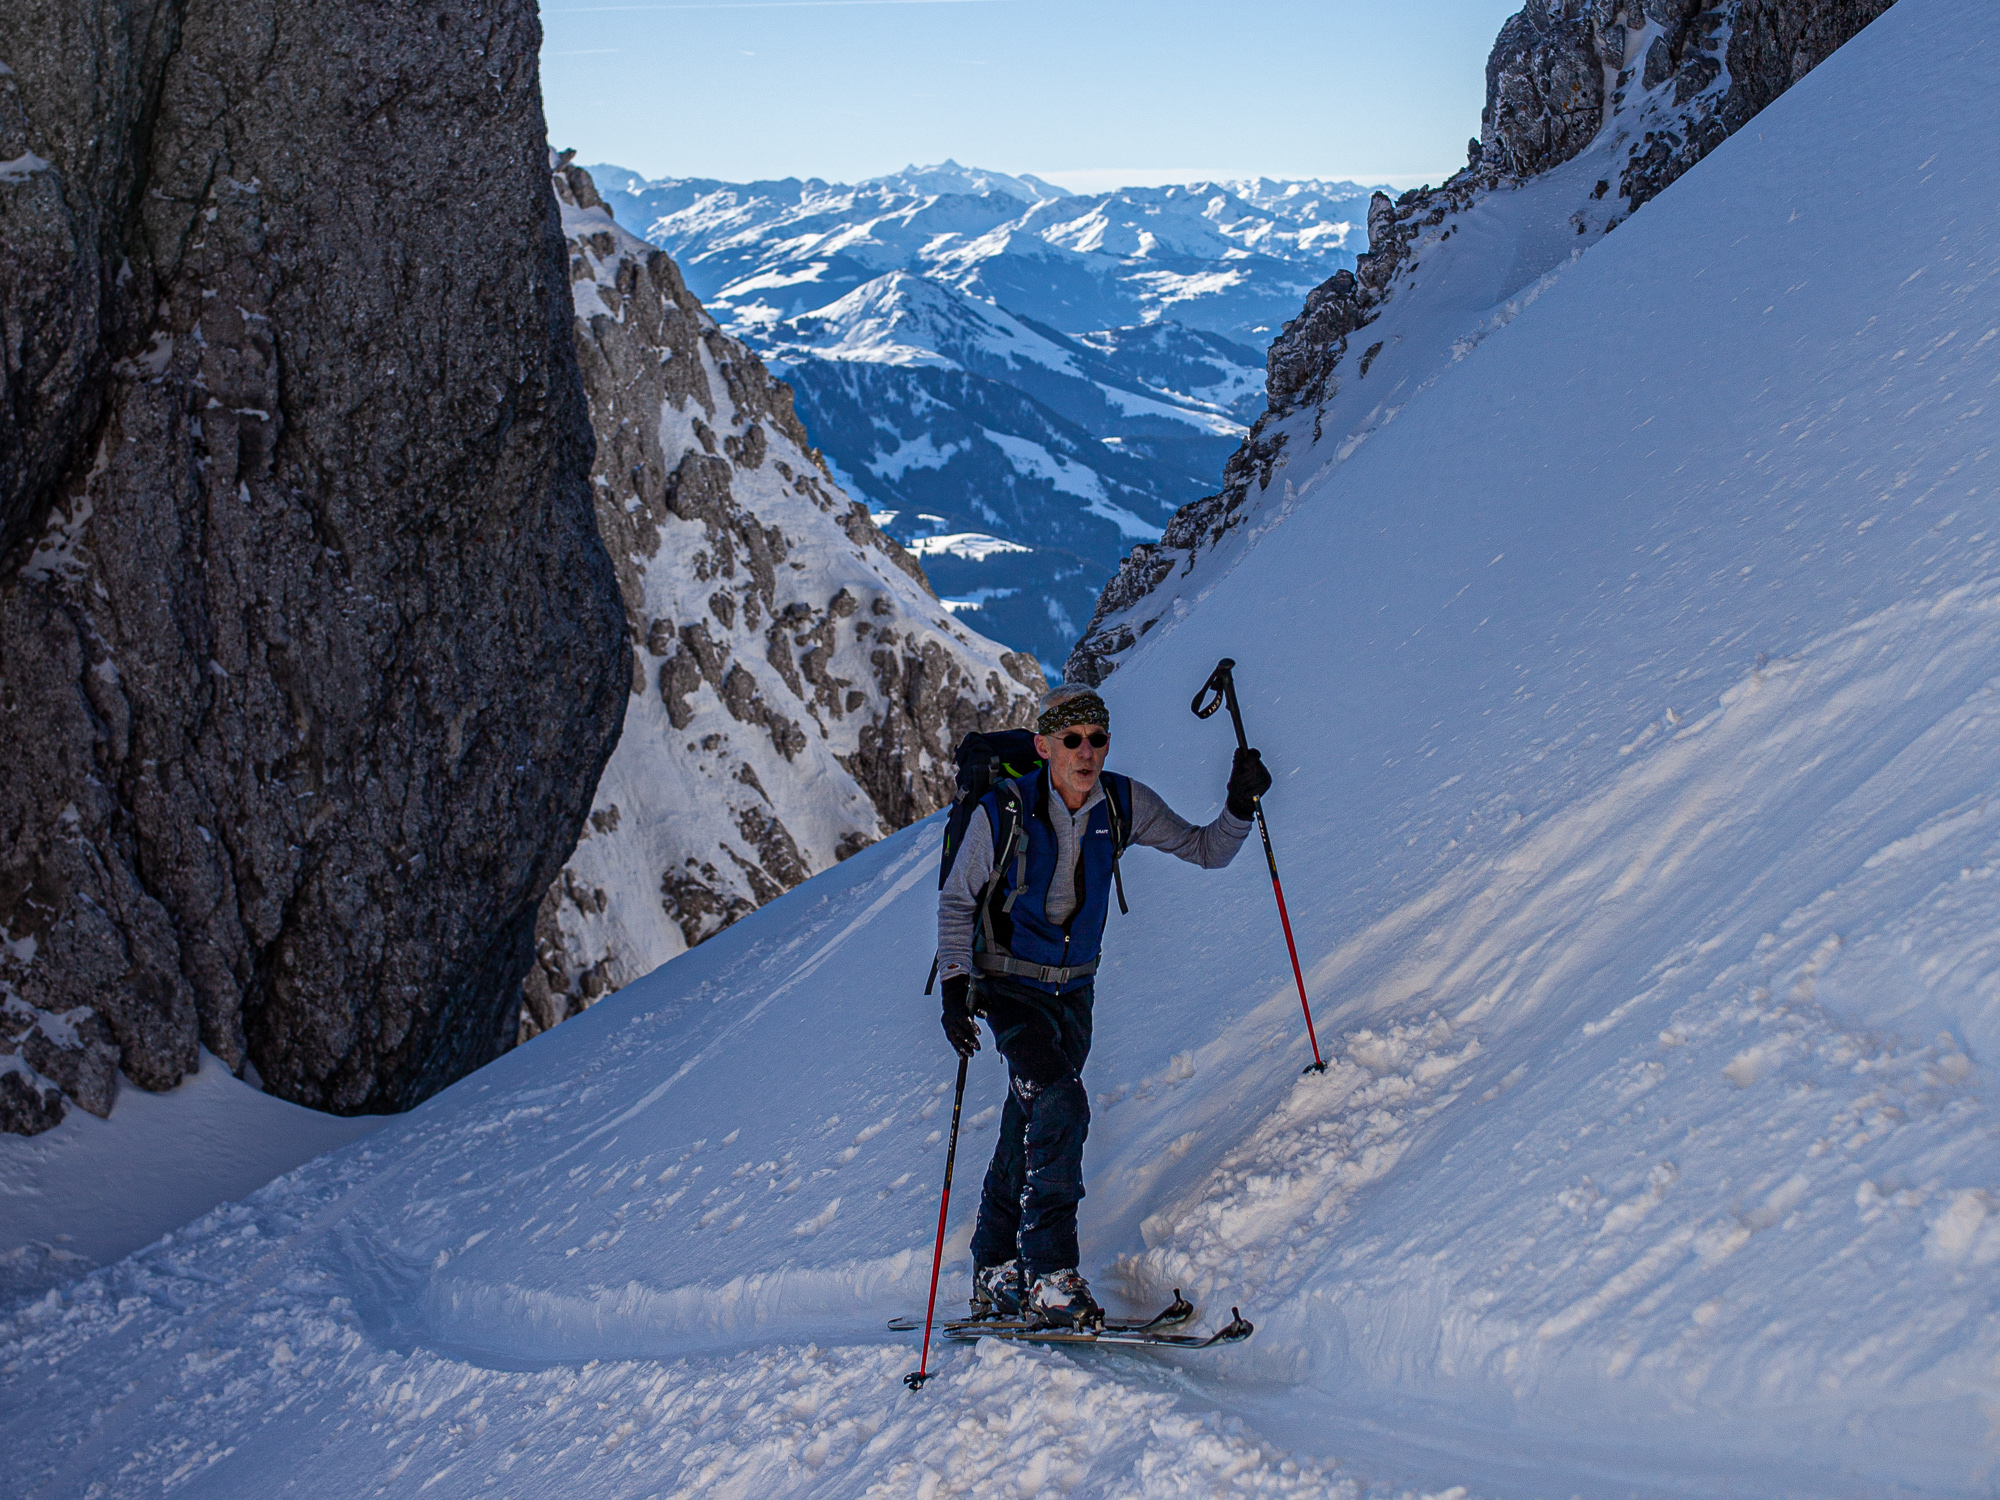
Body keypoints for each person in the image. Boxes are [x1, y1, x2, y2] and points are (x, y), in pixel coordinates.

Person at [936, 682, 1272, 1329]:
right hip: (1008, 989)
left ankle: (993, 1269)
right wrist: (956, 987)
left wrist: (1238, 802)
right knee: (1060, 1101)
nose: (1086, 751)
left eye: (1097, 739)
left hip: (1075, 994)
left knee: (1028, 1118)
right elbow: (957, 899)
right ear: (1044, 746)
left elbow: (1206, 848)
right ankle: (1050, 1275)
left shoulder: (1120, 803)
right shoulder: (1004, 811)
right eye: (1072, 740)